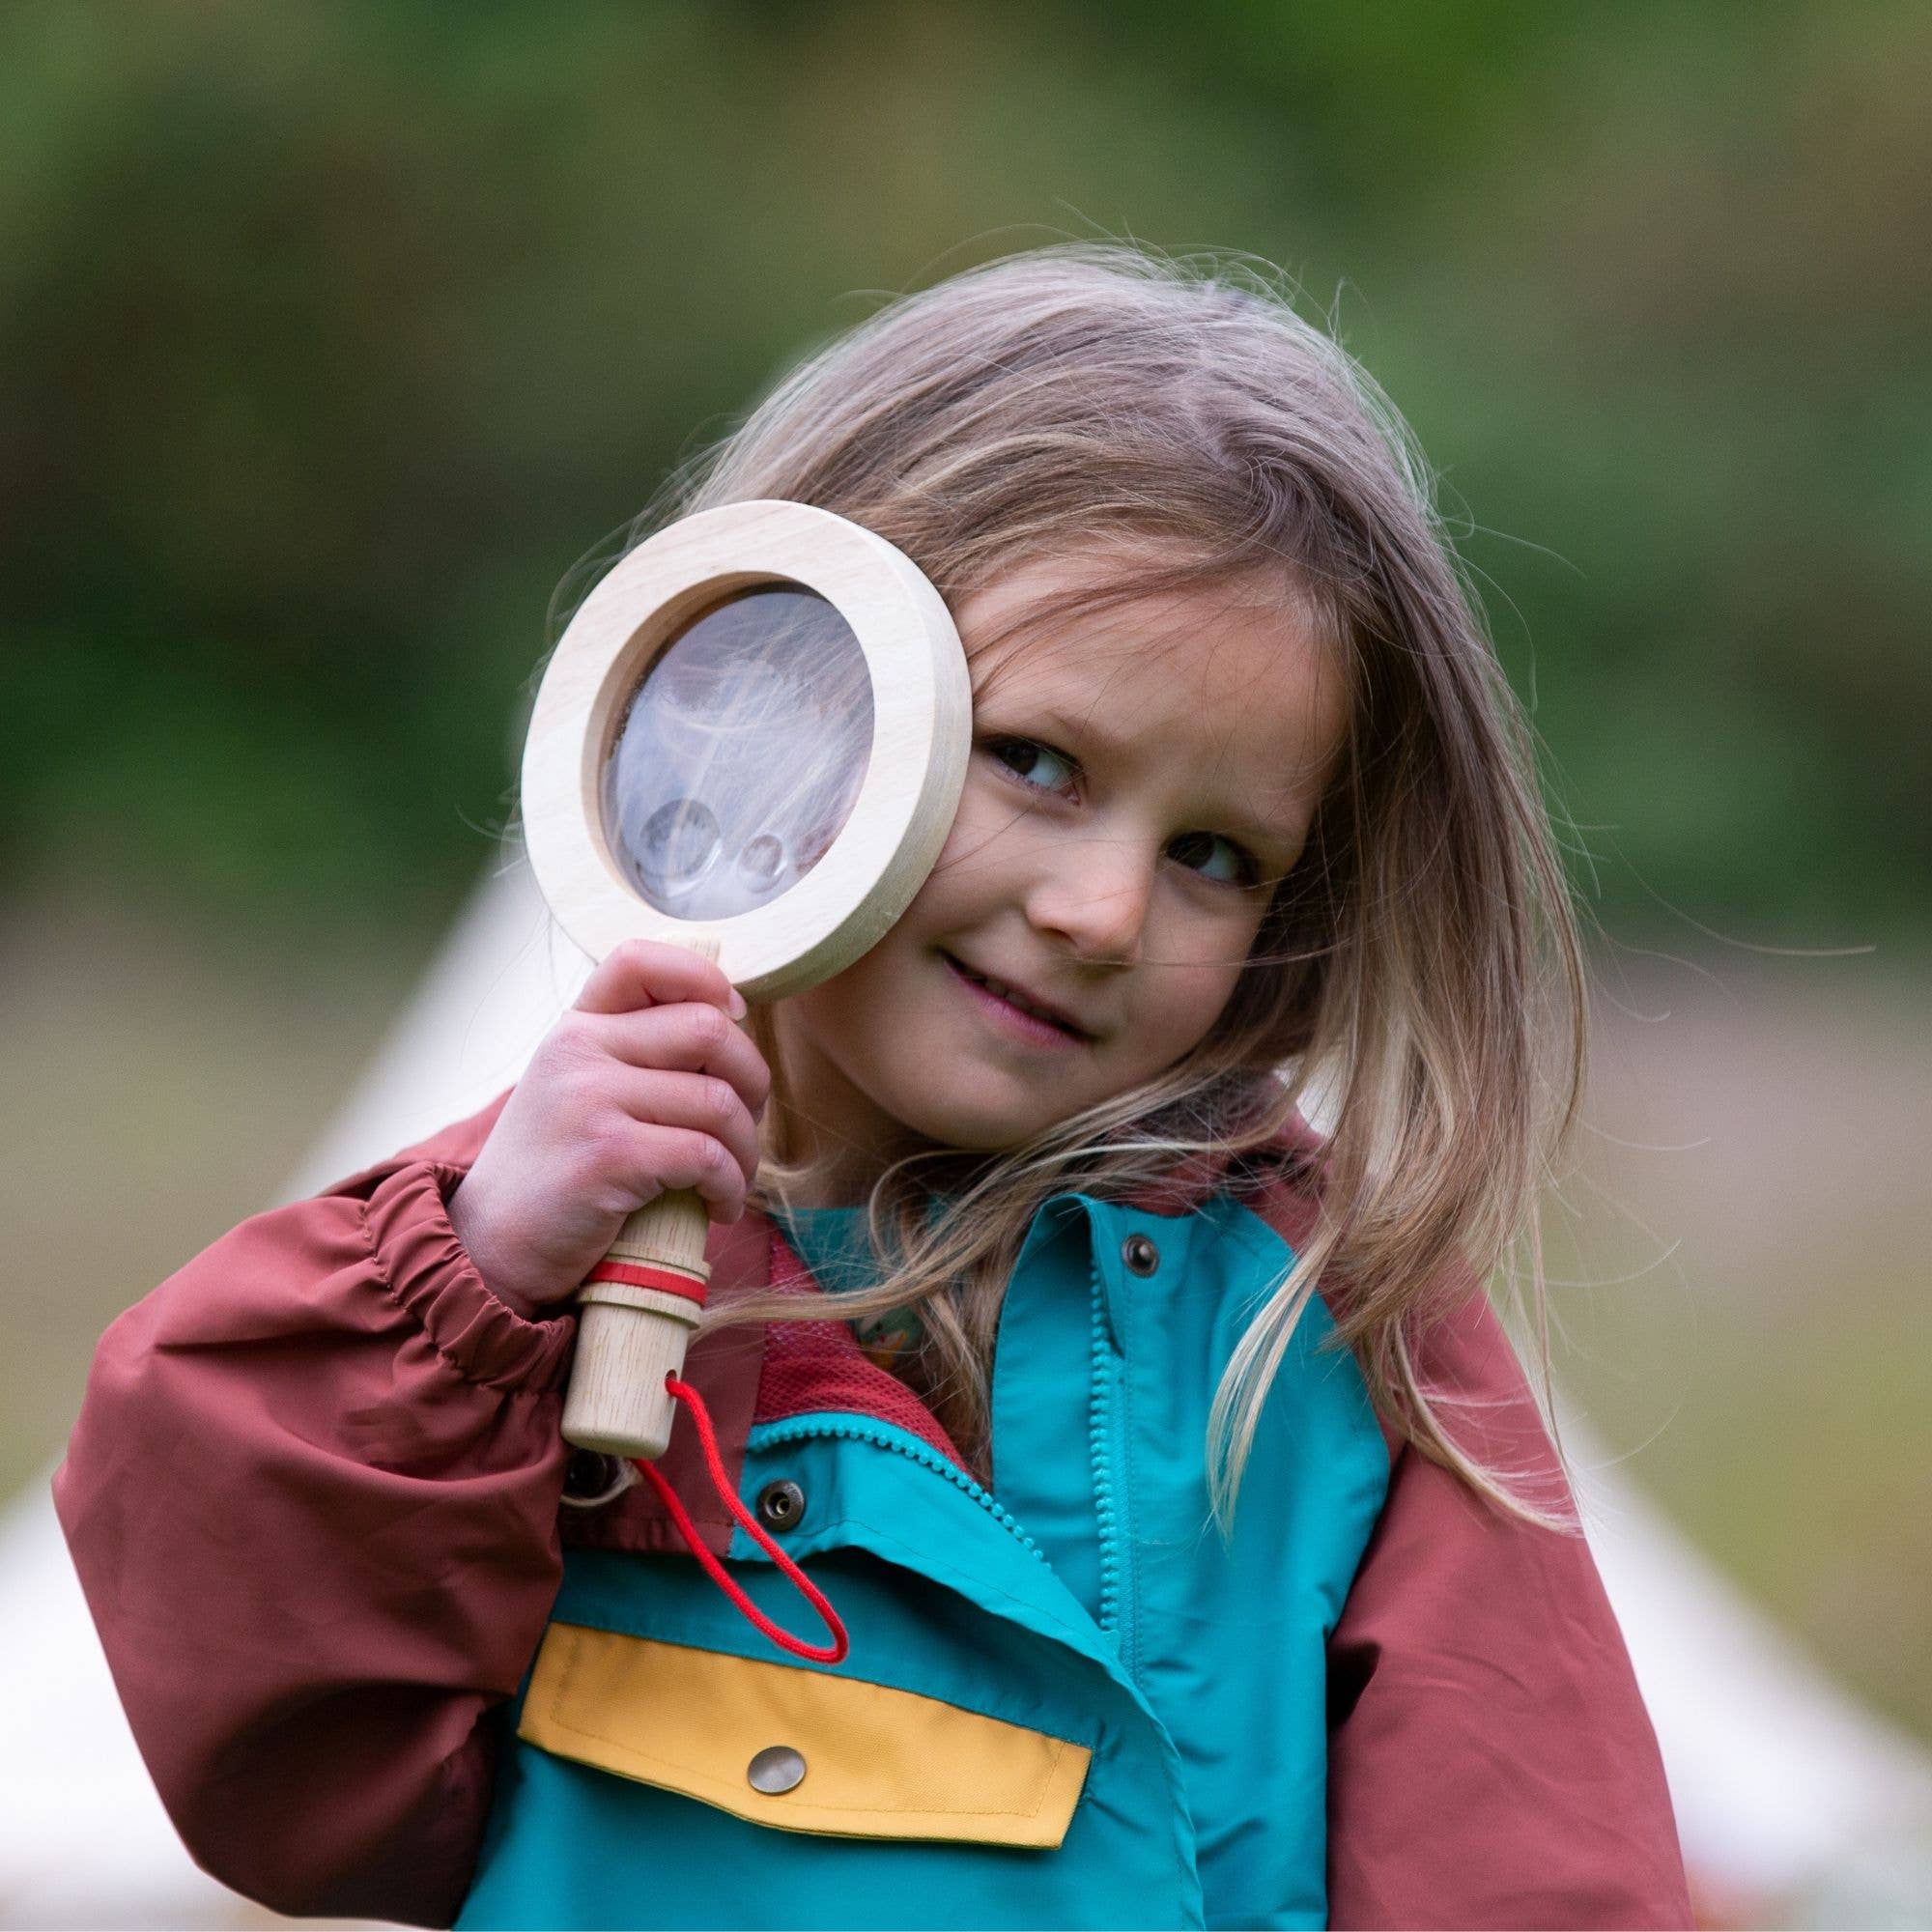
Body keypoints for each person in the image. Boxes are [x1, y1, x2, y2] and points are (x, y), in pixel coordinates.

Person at [55, 243, 1692, 1930]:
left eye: (1216, 853)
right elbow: (278, 1753)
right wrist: (478, 1287)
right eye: (1040, 761)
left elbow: (1536, 1865)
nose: (1104, 911)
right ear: (782, 681)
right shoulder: (529, 1275)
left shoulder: (1312, 1322)